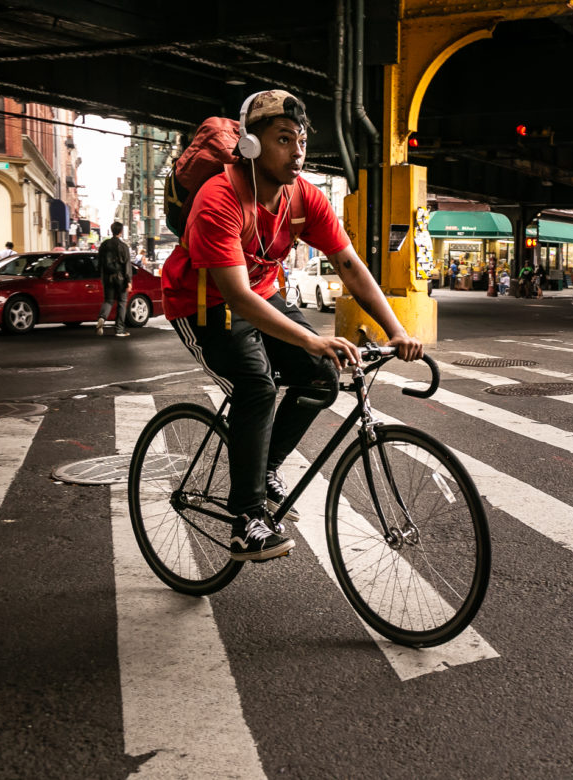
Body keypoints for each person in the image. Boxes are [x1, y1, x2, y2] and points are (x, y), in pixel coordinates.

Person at [161, 89, 423, 563]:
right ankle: (246, 519)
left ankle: (265, 470)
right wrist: (312, 338)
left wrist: (396, 330)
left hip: (261, 295)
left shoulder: (304, 196)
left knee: (320, 376)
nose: (297, 151)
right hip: (204, 305)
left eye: (301, 140)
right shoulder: (219, 197)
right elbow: (236, 296)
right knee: (257, 387)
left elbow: (348, 263)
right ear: (251, 145)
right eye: (284, 139)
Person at [96, 221, 132, 337]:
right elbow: (127, 265)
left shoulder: (104, 245)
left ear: (112, 230)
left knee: (108, 300)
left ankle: (102, 317)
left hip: (107, 278)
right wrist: (129, 280)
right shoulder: (123, 246)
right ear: (121, 231)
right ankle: (119, 329)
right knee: (122, 302)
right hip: (120, 278)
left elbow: (100, 262)